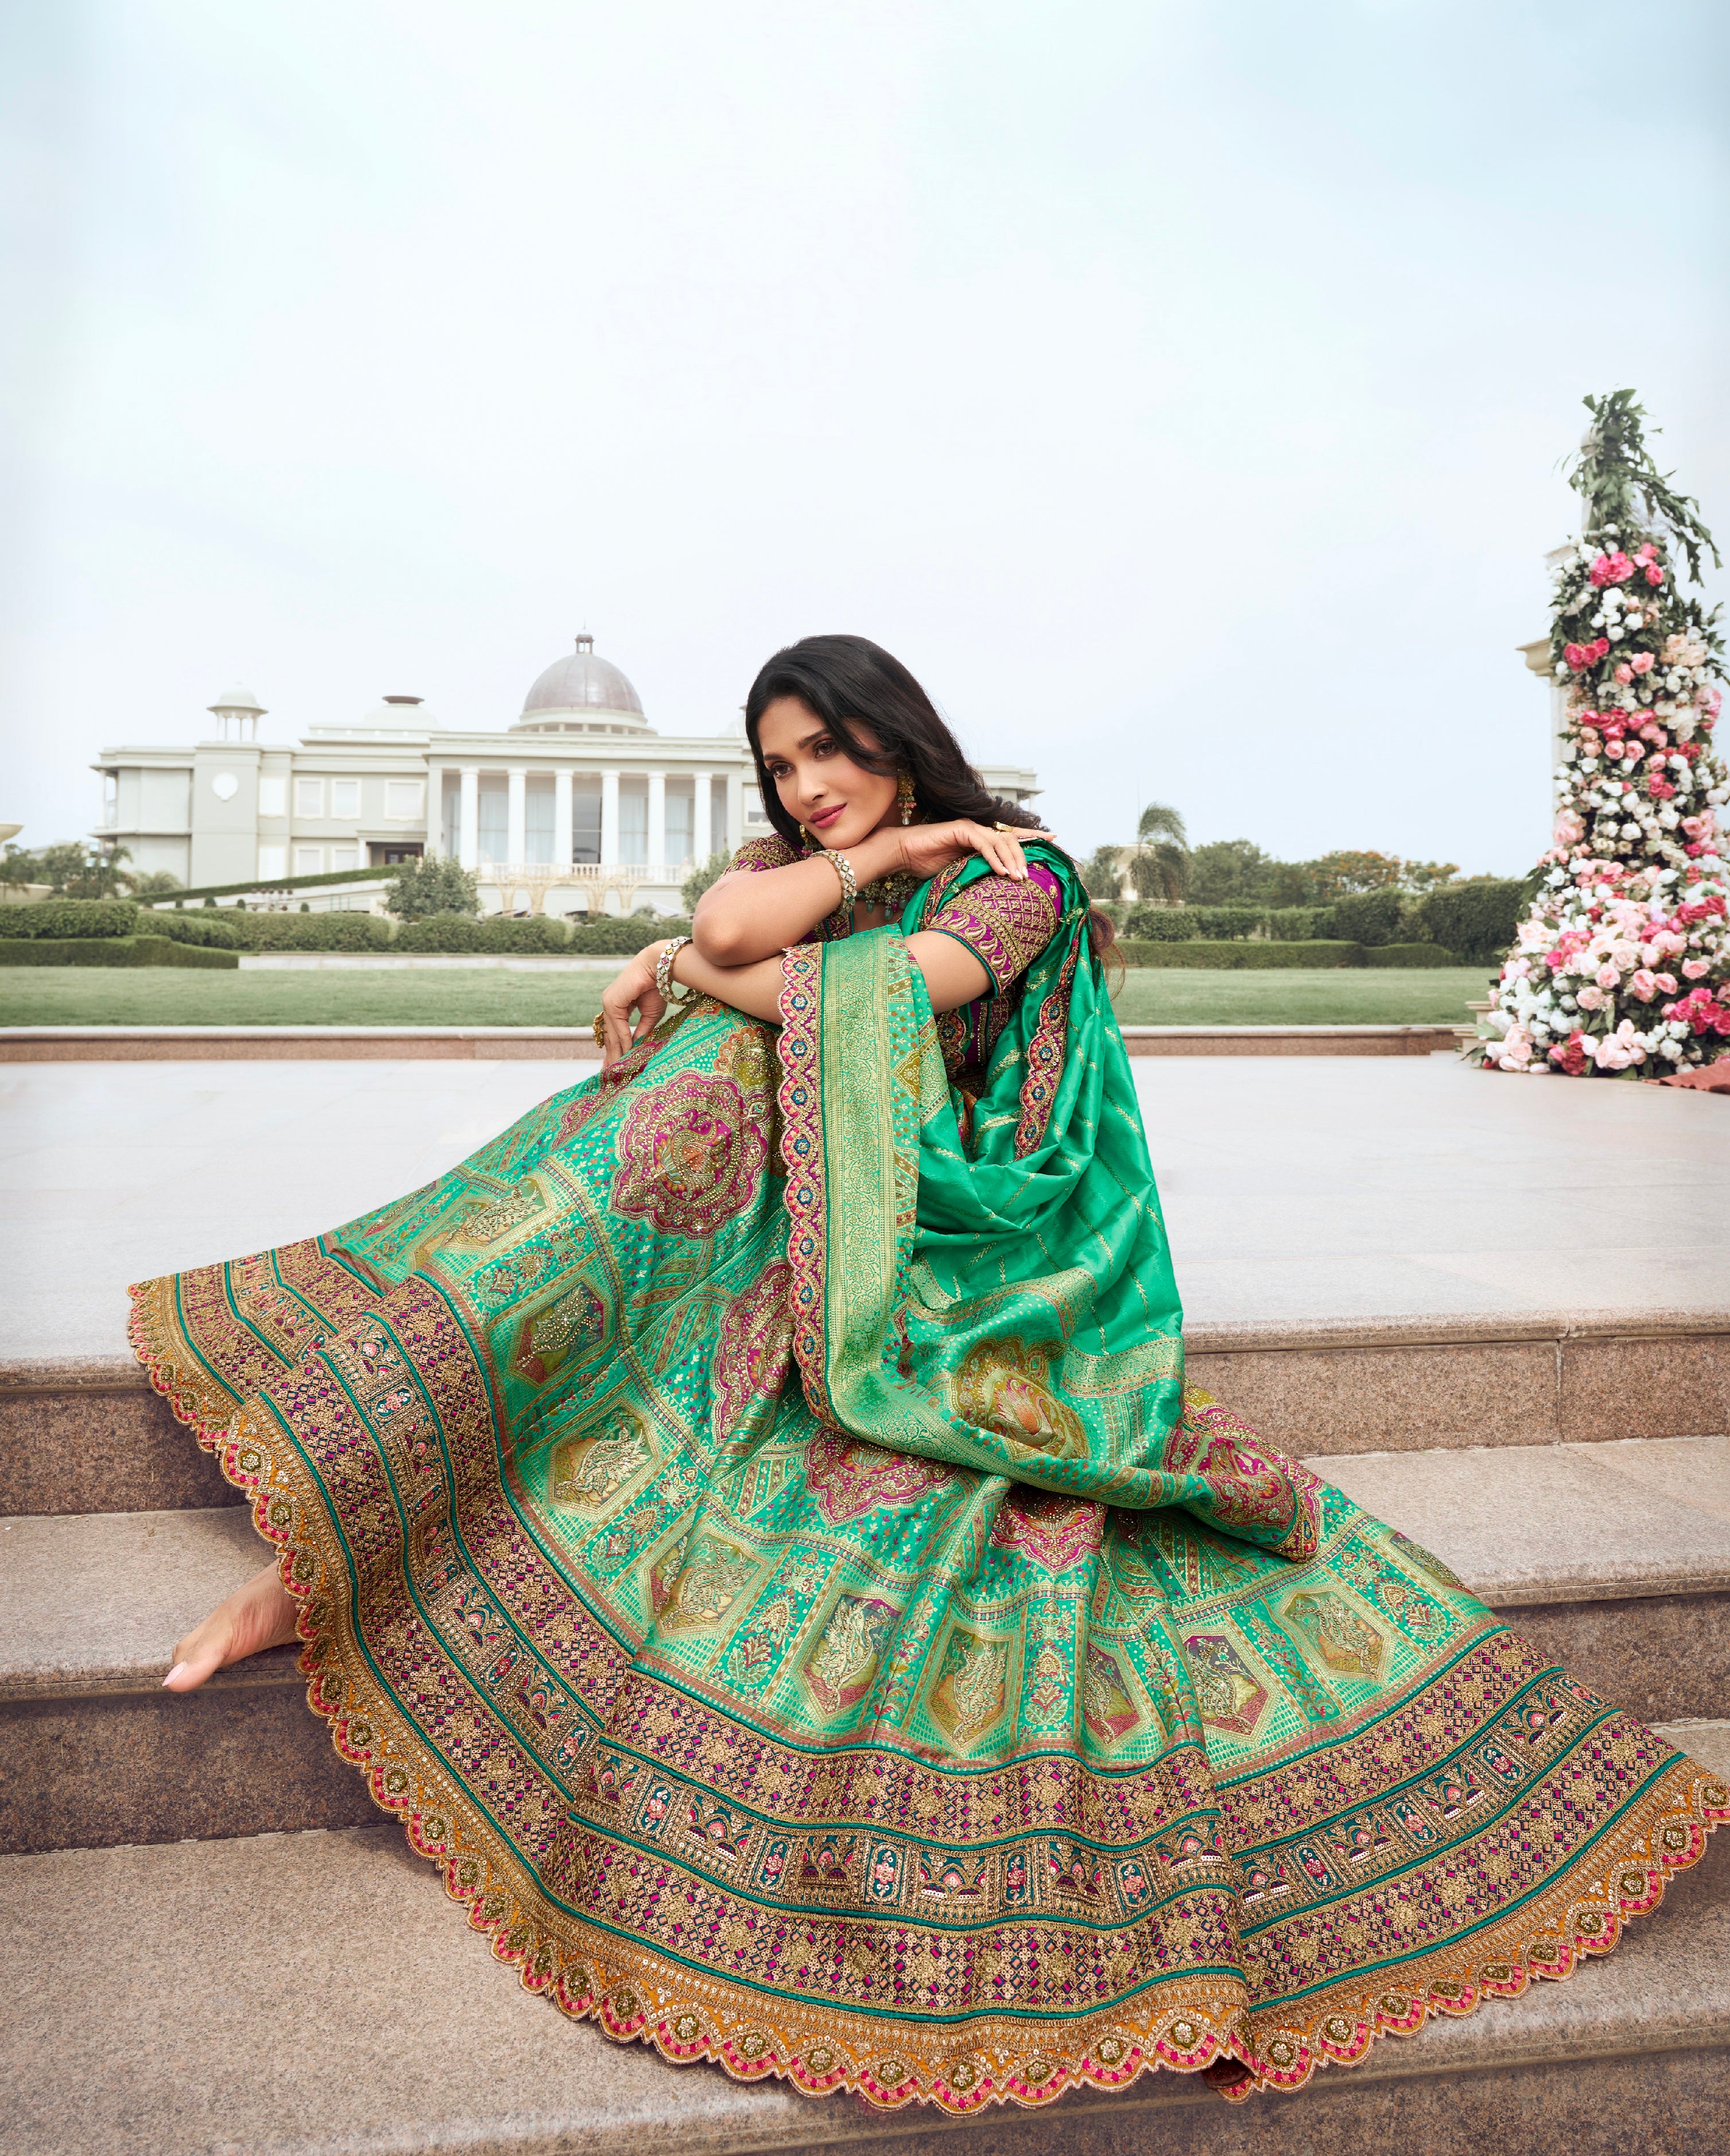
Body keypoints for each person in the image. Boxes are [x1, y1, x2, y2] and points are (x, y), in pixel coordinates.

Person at [137, 636, 1723, 2113]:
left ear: (898, 730)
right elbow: (734, 933)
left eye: (832, 748)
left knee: (717, 1063)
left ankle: (381, 1501)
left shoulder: (1020, 874)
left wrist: (702, 971)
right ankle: (362, 1508)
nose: (807, 784)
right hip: (834, 1214)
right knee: (700, 1083)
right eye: (781, 768)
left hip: (976, 1256)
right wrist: (858, 868)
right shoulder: (848, 863)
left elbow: (883, 1004)